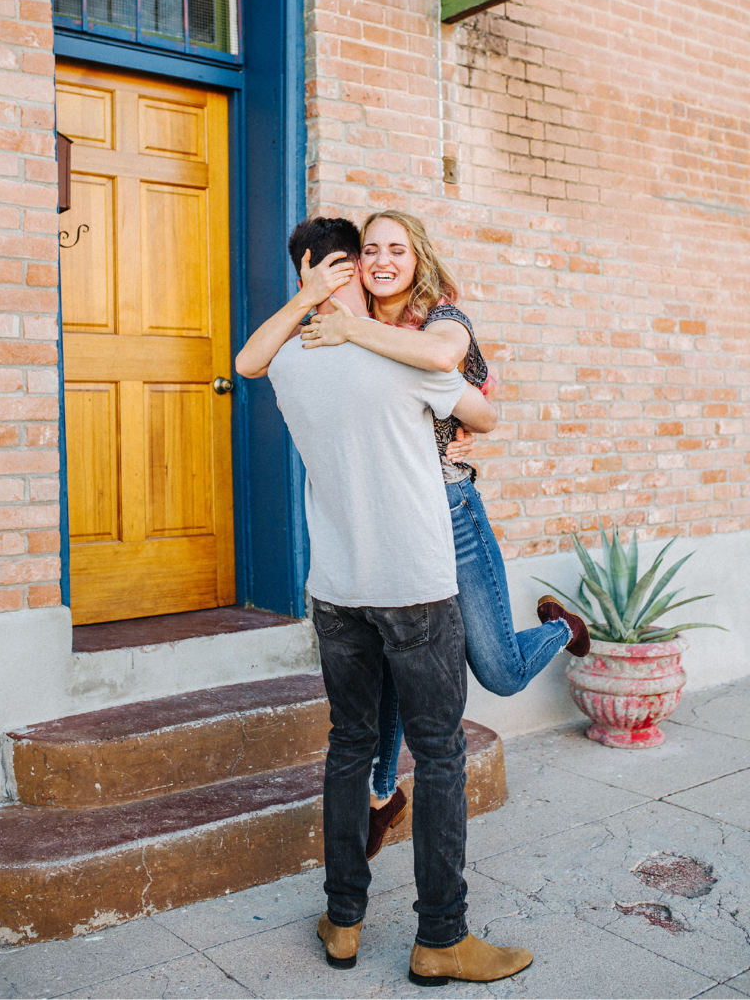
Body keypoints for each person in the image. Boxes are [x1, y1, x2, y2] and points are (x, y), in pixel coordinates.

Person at [236, 217, 533, 985]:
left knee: (349, 746)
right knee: (437, 755)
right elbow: (483, 413)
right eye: (365, 254)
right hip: (414, 583)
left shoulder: (293, 363)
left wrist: (309, 304)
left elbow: (248, 359)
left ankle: (343, 920)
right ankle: (442, 937)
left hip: (337, 591)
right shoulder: (404, 361)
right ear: (349, 270)